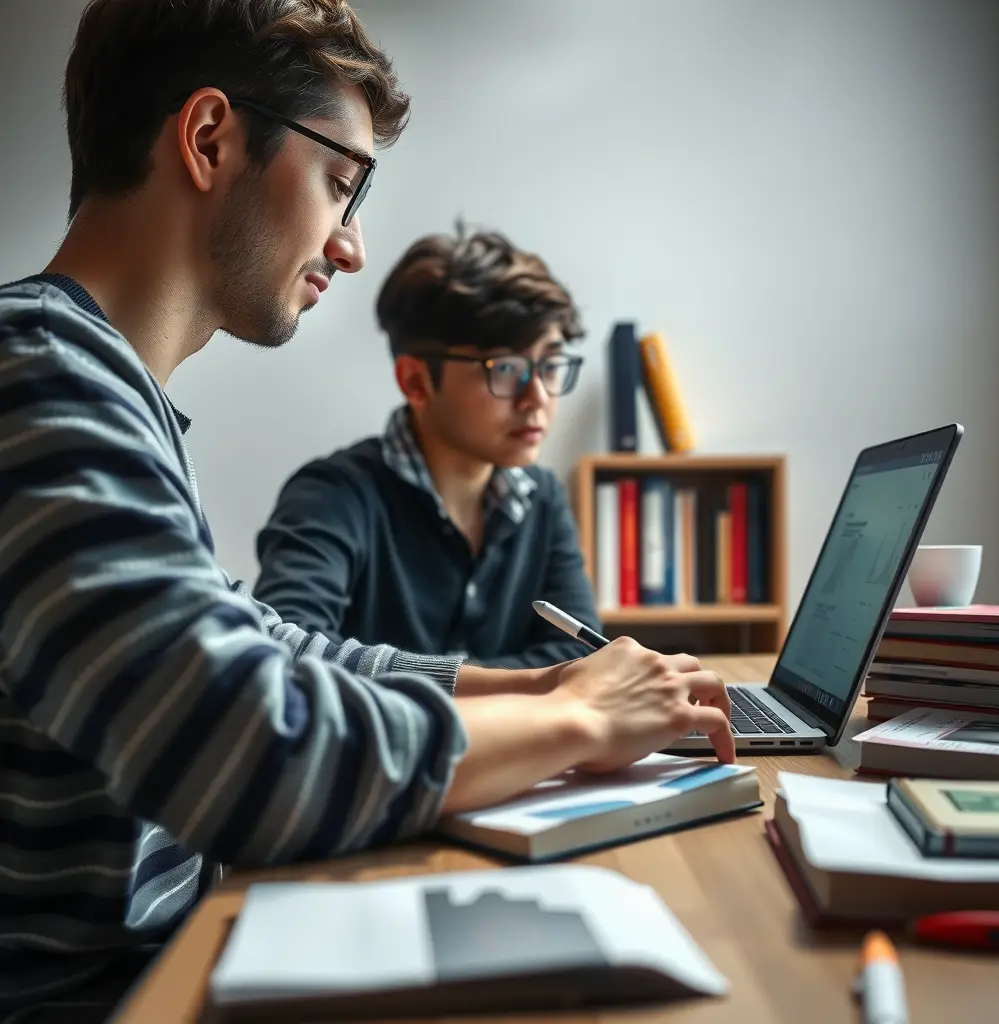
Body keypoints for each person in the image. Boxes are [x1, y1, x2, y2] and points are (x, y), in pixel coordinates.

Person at [0, 0, 733, 1018]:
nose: (349, 247)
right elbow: (242, 746)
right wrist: (574, 717)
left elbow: (263, 648)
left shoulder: (103, 389)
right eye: (341, 183)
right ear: (210, 138)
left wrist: (547, 686)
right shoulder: (39, 377)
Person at [253, 225, 603, 671]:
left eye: (550, 365)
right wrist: (506, 684)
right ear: (416, 382)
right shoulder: (333, 495)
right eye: (506, 368)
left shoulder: (543, 497)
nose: (538, 397)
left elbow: (578, 655)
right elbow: (286, 656)